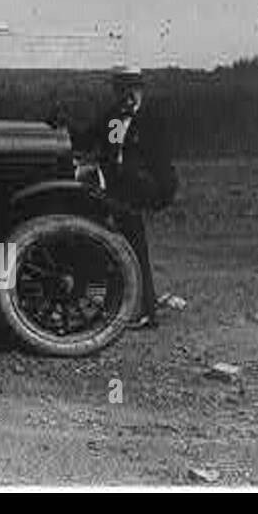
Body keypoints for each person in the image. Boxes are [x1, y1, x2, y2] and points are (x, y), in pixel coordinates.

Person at [78, 65, 178, 327]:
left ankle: (145, 310)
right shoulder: (112, 117)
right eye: (123, 90)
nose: (129, 95)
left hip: (141, 189)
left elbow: (161, 162)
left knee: (133, 244)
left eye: (134, 89)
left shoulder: (153, 119)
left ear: (141, 90)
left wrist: (152, 190)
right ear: (116, 91)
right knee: (114, 242)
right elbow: (87, 141)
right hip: (117, 189)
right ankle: (126, 303)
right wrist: (62, 128)